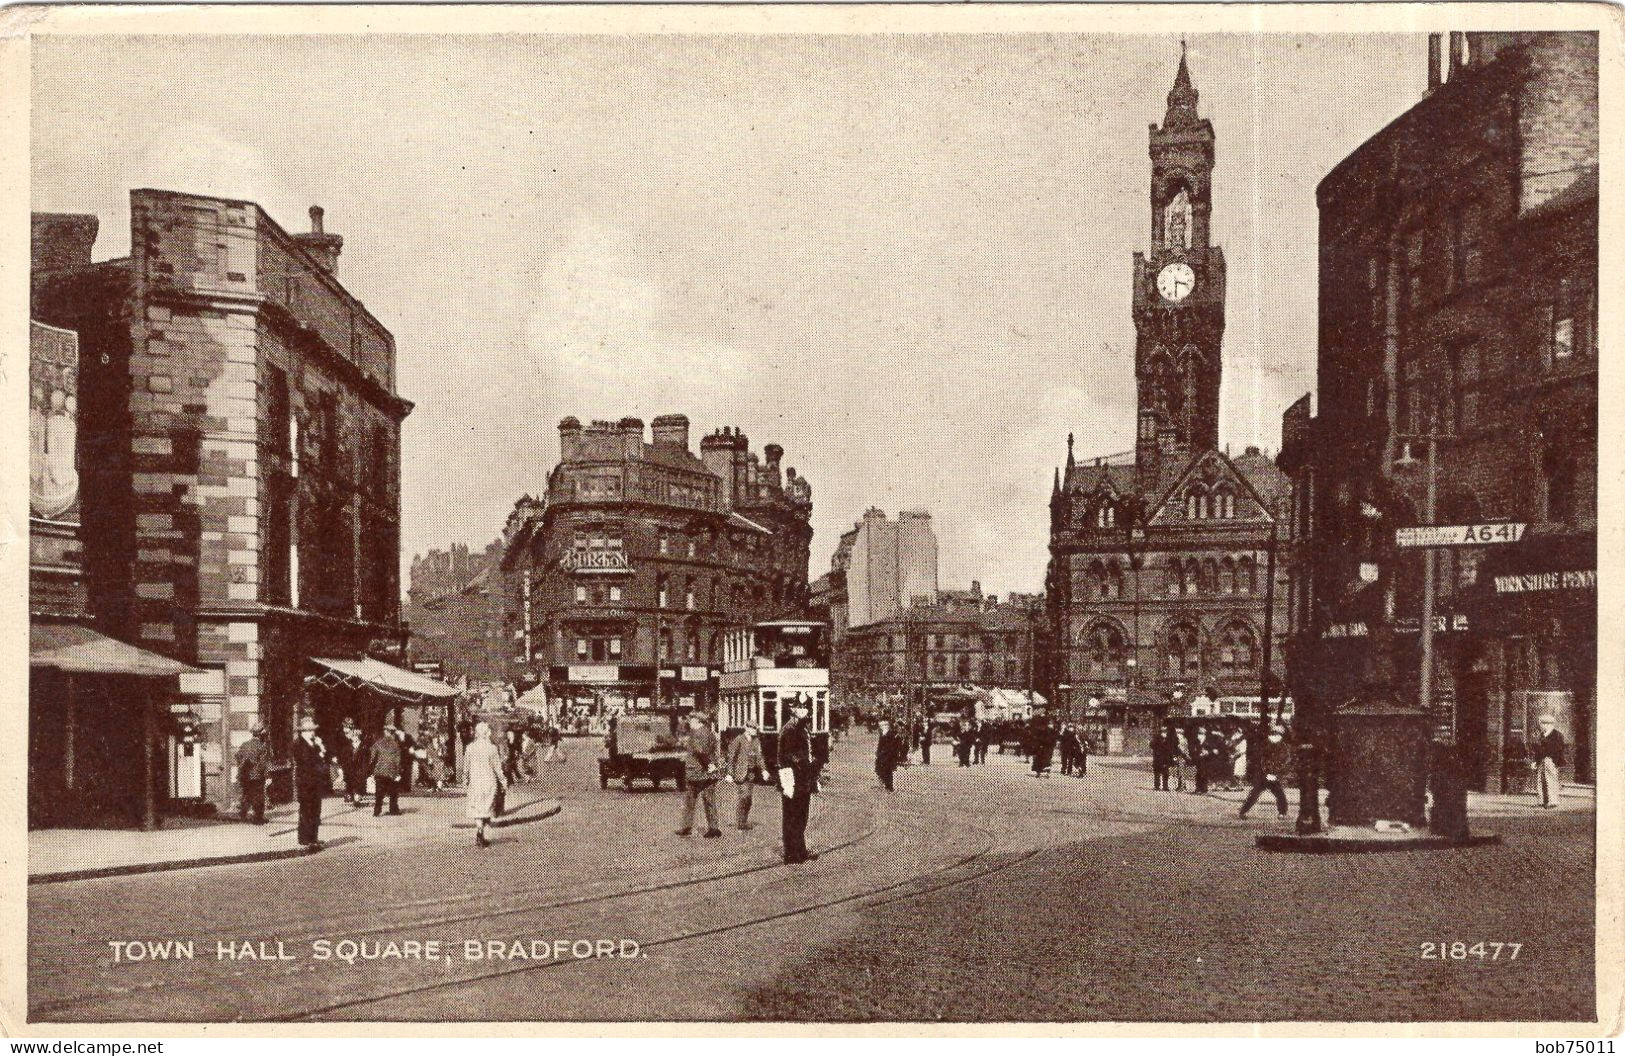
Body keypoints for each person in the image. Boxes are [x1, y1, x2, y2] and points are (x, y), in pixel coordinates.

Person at [778, 698, 819, 863]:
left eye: (805, 707)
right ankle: (791, 853)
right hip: (792, 779)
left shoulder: (802, 728)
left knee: (801, 817)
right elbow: (788, 755)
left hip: (802, 780)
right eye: (799, 707)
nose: (804, 710)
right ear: (792, 710)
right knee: (792, 816)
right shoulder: (789, 729)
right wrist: (805, 765)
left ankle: (800, 850)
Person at [676, 712, 723, 838]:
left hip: (697, 772)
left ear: (698, 721)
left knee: (691, 800)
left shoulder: (698, 733)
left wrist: (709, 765)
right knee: (709, 800)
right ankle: (713, 828)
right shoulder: (709, 732)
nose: (689, 721)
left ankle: (686, 828)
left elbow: (700, 752)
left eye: (692, 719)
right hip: (707, 773)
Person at [464, 720, 506, 848]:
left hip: (475, 782)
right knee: (486, 807)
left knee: (477, 809)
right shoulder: (492, 749)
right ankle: (482, 831)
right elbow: (497, 768)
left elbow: (466, 767)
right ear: (486, 733)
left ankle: (479, 831)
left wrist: (465, 780)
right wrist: (503, 781)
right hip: (489, 782)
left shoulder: (470, 748)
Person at [1240, 725, 1291, 819]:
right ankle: (1243, 811)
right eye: (1275, 733)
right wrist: (1269, 773)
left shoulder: (1280, 747)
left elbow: (1284, 761)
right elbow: (1261, 761)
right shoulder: (1267, 745)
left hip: (1270, 775)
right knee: (1256, 794)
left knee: (1278, 795)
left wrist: (1275, 774)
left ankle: (1282, 813)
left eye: (1278, 734)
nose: (1276, 736)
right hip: (1264, 775)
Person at [292, 717, 327, 848]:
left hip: (314, 782)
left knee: (315, 810)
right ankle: (305, 839)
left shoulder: (313, 744)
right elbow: (307, 761)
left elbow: (321, 759)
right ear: (304, 731)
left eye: (313, 730)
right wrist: (318, 751)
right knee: (306, 811)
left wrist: (320, 747)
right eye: (311, 730)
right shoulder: (299, 744)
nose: (313, 733)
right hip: (305, 783)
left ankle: (313, 838)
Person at [725, 722, 766, 830]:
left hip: (751, 774)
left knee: (748, 799)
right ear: (746, 728)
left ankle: (744, 821)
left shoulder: (756, 741)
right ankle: (740, 823)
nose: (754, 730)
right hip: (740, 773)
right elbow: (731, 757)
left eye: (755, 728)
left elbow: (759, 757)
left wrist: (764, 770)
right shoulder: (739, 739)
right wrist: (729, 773)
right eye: (752, 728)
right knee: (743, 797)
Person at [235, 724, 271, 824]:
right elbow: (263, 764)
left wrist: (241, 768)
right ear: (260, 735)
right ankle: (258, 818)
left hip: (245, 775)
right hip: (256, 776)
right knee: (258, 796)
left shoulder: (244, 744)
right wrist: (265, 775)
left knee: (246, 794)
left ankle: (243, 815)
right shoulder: (262, 746)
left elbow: (237, 756)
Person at [368, 723, 404, 816]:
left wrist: (371, 769)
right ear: (392, 733)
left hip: (379, 771)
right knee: (393, 792)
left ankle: (377, 811)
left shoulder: (378, 743)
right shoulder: (396, 745)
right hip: (392, 772)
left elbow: (372, 758)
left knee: (379, 793)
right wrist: (399, 771)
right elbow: (397, 760)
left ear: (385, 732)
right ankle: (393, 809)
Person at [1532, 714, 1566, 809]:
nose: (1541, 726)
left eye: (1541, 724)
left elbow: (1558, 749)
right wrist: (1535, 761)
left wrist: (1554, 761)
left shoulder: (1557, 735)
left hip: (1551, 760)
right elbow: (1538, 750)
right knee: (1540, 780)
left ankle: (1553, 801)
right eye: (1541, 724)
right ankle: (1541, 800)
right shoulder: (1542, 735)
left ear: (1548, 724)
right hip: (1542, 760)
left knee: (1550, 780)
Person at [337, 720, 366, 806]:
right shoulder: (345, 741)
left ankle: (357, 795)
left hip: (358, 765)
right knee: (348, 779)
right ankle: (350, 794)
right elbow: (343, 754)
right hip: (348, 764)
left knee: (358, 779)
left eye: (348, 727)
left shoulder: (361, 745)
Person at [875, 719, 904, 791]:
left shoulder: (892, 735)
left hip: (889, 755)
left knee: (888, 771)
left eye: (885, 725)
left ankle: (889, 787)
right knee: (880, 769)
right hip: (882, 755)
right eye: (881, 725)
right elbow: (880, 745)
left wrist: (892, 755)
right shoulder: (883, 734)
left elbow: (894, 747)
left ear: (888, 726)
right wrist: (878, 753)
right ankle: (883, 784)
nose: (883, 727)